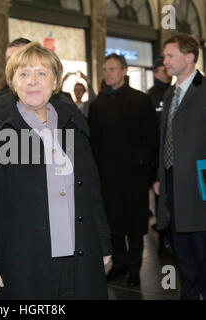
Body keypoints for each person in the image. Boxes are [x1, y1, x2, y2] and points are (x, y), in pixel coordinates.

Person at [0, 42, 112, 300]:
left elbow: (90, 190)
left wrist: (104, 243)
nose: (33, 81)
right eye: (23, 74)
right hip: (23, 261)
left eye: (41, 73)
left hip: (78, 257)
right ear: (12, 81)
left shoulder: (72, 121)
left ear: (55, 81)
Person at [88, 54, 158, 287]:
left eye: (112, 69)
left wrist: (142, 164)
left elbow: (151, 138)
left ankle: (135, 270)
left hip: (133, 177)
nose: (107, 73)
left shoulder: (141, 100)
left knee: (135, 226)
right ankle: (119, 264)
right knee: (113, 225)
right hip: (107, 178)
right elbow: (93, 141)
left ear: (124, 71)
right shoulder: (98, 104)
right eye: (105, 69)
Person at [157, 34, 206, 300]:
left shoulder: (204, 90)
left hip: (199, 185)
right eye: (165, 56)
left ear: (189, 57)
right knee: (182, 252)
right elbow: (164, 139)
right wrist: (159, 178)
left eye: (170, 55)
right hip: (173, 183)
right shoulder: (170, 92)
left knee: (201, 250)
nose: (165, 61)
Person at [147, 57, 173, 258]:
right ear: (156, 72)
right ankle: (164, 241)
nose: (167, 72)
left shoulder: (175, 91)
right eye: (163, 69)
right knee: (161, 200)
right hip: (158, 159)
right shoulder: (151, 96)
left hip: (176, 158)